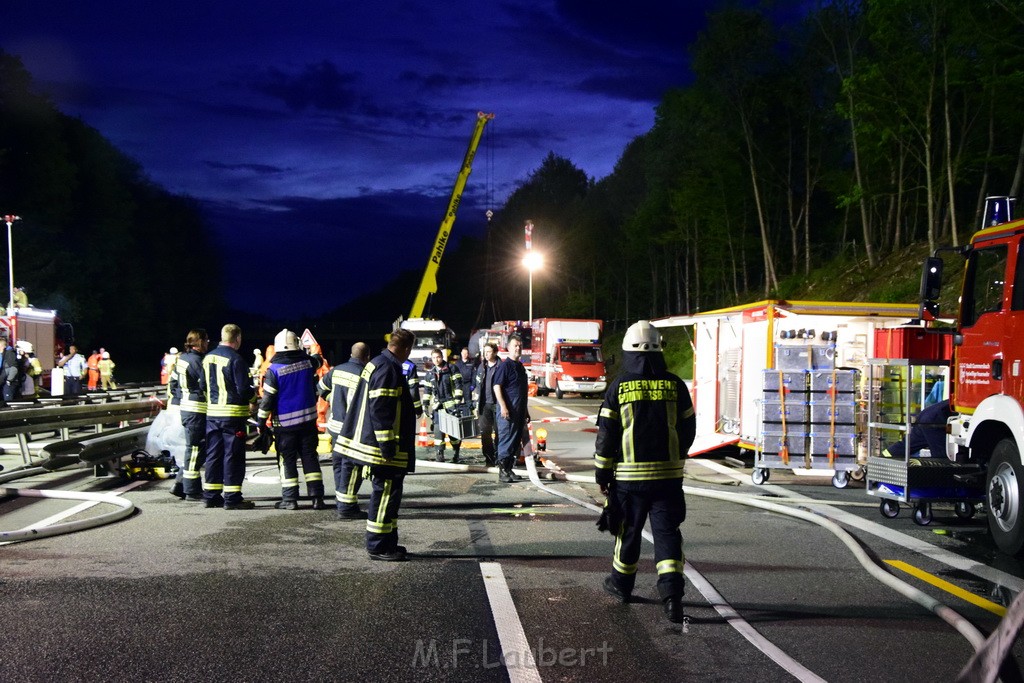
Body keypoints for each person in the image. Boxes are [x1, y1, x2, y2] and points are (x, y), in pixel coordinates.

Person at [595, 320, 696, 624]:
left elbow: (607, 436)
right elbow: (688, 428)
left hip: (629, 481)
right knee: (667, 536)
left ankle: (622, 585)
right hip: (668, 479)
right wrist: (676, 458)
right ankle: (672, 597)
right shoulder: (675, 384)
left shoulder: (619, 387)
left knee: (629, 534)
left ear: (628, 351)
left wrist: (603, 473)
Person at [335, 328, 416, 561]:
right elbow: (380, 407)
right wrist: (387, 444)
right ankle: (379, 546)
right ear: (406, 348)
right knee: (385, 494)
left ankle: (388, 541)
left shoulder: (377, 363)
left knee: (390, 495)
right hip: (382, 449)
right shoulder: (388, 368)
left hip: (374, 444)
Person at [258, 329, 325, 510]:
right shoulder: (308, 363)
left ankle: (290, 500)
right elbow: (318, 360)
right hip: (308, 422)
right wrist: (311, 350)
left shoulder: (274, 370)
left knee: (287, 460)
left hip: (285, 426)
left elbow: (267, 400)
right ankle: (317, 497)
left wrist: (261, 422)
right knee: (310, 457)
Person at [202, 324, 256, 510]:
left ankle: (211, 495)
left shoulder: (207, 357)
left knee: (213, 454)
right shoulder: (236, 359)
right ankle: (232, 498)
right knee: (233, 455)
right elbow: (243, 389)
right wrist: (253, 398)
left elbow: (202, 384)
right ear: (238, 338)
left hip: (212, 415)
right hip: (232, 416)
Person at [320, 341, 371, 519]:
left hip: (334, 427)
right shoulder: (364, 375)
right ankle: (347, 507)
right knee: (353, 468)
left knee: (339, 465)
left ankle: (341, 500)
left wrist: (332, 399)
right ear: (367, 357)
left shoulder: (337, 370)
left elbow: (320, 388)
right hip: (352, 431)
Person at [175, 329, 210, 501]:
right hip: (197, 409)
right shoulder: (198, 361)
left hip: (187, 407)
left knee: (194, 448)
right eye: (206, 340)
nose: (208, 343)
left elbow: (174, 383)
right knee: (196, 449)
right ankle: (191, 490)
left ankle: (180, 484)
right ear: (200, 341)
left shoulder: (182, 359)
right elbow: (205, 384)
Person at [493, 335, 529, 483]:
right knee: (506, 440)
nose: (518, 348)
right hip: (508, 411)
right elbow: (497, 387)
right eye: (515, 345)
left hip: (519, 411)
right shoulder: (504, 366)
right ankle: (502, 472)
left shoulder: (520, 367)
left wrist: (525, 411)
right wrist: (503, 406)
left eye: (520, 345)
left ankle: (509, 469)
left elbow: (522, 391)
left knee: (514, 443)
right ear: (508, 347)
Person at [423, 347, 464, 463]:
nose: (436, 360)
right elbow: (427, 391)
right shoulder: (430, 374)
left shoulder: (451, 369)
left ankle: (456, 452)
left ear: (442, 357)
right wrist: (425, 405)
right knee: (438, 431)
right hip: (438, 407)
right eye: (434, 358)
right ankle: (439, 454)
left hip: (451, 407)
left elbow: (458, 386)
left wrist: (457, 402)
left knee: (453, 432)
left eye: (438, 357)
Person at [883, 399, 953, 460]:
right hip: (932, 419)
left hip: (928, 418)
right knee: (944, 456)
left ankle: (883, 458)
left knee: (907, 445)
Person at [473, 342, 502, 467]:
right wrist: (475, 404)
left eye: (489, 351)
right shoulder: (481, 367)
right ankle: (489, 458)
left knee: (499, 432)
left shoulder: (501, 367)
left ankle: (499, 458)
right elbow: (478, 386)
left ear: (495, 352)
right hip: (484, 405)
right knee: (485, 432)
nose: (486, 354)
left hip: (498, 404)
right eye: (485, 352)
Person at [454, 346, 478, 410]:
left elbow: (474, 375)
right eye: (463, 353)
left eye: (466, 353)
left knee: (468, 403)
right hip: (459, 385)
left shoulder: (471, 363)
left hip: (468, 385)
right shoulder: (457, 363)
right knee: (457, 402)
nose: (464, 355)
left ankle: (468, 416)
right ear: (461, 353)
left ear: (468, 354)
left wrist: (473, 385)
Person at [1, 337, 19, 403]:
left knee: (8, 401)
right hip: (3, 380)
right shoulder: (2, 354)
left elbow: (14, 368)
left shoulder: (9, 354)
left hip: (8, 382)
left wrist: (9, 380)